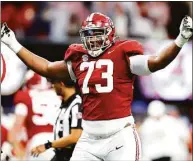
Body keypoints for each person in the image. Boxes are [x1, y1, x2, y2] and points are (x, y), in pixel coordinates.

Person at [1, 12, 192, 161]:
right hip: (89, 138)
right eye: (88, 35)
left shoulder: (123, 55)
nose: (92, 40)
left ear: (110, 35)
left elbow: (158, 61)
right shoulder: (78, 60)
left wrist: (181, 39)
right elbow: (47, 68)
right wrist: (12, 42)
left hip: (120, 136)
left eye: (97, 34)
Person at [8, 70, 62, 161]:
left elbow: (16, 129)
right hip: (60, 142)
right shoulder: (59, 96)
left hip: (38, 142)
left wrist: (18, 150)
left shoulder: (25, 96)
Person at [31, 79, 82, 161]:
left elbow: (75, 137)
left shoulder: (77, 105)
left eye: (54, 83)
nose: (53, 86)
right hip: (60, 155)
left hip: (71, 156)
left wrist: (47, 145)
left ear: (61, 84)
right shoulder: (66, 103)